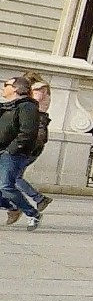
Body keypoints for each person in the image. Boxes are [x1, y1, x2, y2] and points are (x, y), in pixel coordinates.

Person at [0, 74, 50, 229]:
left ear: (15, 88)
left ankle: (33, 213)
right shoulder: (8, 106)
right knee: (7, 185)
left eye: (6, 85)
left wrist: (12, 150)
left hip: (13, 153)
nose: (3, 87)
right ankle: (12, 207)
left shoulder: (27, 106)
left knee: (6, 185)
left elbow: (27, 132)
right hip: (4, 150)